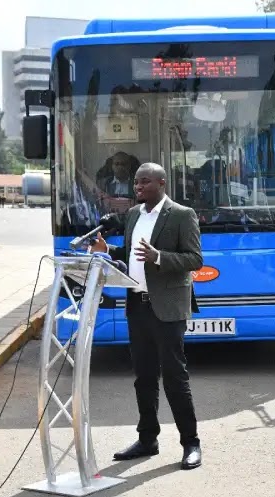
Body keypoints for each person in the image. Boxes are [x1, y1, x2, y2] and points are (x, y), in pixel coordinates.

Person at [90, 162, 204, 470]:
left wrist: (159, 257)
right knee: (144, 377)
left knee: (175, 378)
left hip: (167, 308)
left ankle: (191, 443)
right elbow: (129, 252)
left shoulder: (182, 215)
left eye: (145, 182)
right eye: (137, 183)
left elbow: (195, 258)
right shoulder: (133, 215)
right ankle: (147, 439)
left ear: (162, 183)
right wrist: (107, 251)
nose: (138, 187)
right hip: (137, 305)